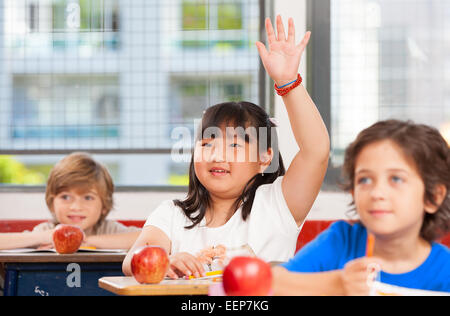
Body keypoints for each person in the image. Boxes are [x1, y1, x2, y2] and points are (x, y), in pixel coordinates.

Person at [122, 15, 330, 278]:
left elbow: (316, 151)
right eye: (207, 143)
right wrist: (167, 261)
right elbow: (132, 262)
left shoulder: (278, 203)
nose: (217, 155)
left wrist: (288, 83)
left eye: (234, 144)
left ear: (265, 157)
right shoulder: (172, 215)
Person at [272, 120, 450, 295]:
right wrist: (336, 285)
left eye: (396, 179)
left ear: (433, 197)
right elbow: (271, 283)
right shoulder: (342, 241)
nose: (376, 193)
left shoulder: (445, 269)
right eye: (364, 180)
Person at [0, 152, 141, 250]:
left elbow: (147, 239)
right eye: (66, 197)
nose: (76, 206)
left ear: (104, 205)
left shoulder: (109, 229)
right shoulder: (47, 231)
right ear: (52, 202)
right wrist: (45, 237)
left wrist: (85, 241)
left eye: (88, 198)